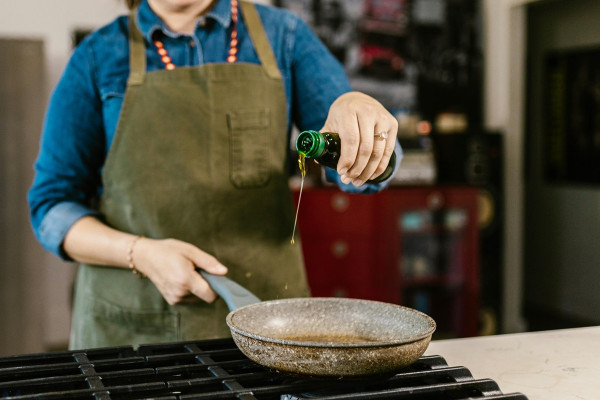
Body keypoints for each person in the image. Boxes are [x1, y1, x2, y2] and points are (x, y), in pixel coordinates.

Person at [28, 0, 402, 350]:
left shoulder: (284, 37)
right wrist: (140, 254)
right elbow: (52, 206)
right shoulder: (97, 56)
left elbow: (357, 163)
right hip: (131, 336)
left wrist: (361, 119)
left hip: (266, 331)